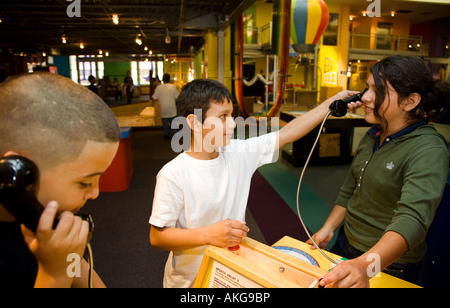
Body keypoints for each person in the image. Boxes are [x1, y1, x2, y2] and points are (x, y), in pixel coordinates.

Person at [149, 78, 360, 287]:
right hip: (189, 280)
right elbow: (158, 237)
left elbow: (287, 133)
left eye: (232, 115)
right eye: (223, 117)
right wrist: (208, 235)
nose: (233, 124)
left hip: (230, 273)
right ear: (194, 122)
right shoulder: (173, 174)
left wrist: (331, 103)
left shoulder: (238, 152)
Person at [307, 55, 450, 288]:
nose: (365, 97)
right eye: (368, 88)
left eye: (378, 90)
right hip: (347, 243)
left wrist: (366, 266)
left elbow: (412, 220)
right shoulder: (373, 134)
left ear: (410, 101)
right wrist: (329, 228)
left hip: (388, 262)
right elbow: (350, 189)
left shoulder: (429, 149)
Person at [0, 72, 121, 287]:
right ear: (16, 173)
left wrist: (69, 260)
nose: (95, 193)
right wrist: (53, 275)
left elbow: (79, 272)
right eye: (85, 182)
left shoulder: (40, 226)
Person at [151, 73, 179, 139]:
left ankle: (166, 135)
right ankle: (174, 135)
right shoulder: (173, 87)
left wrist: (151, 106)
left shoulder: (159, 87)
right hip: (172, 108)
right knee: (174, 123)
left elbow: (154, 98)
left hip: (163, 109)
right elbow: (177, 98)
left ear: (163, 79)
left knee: (165, 124)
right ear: (169, 79)